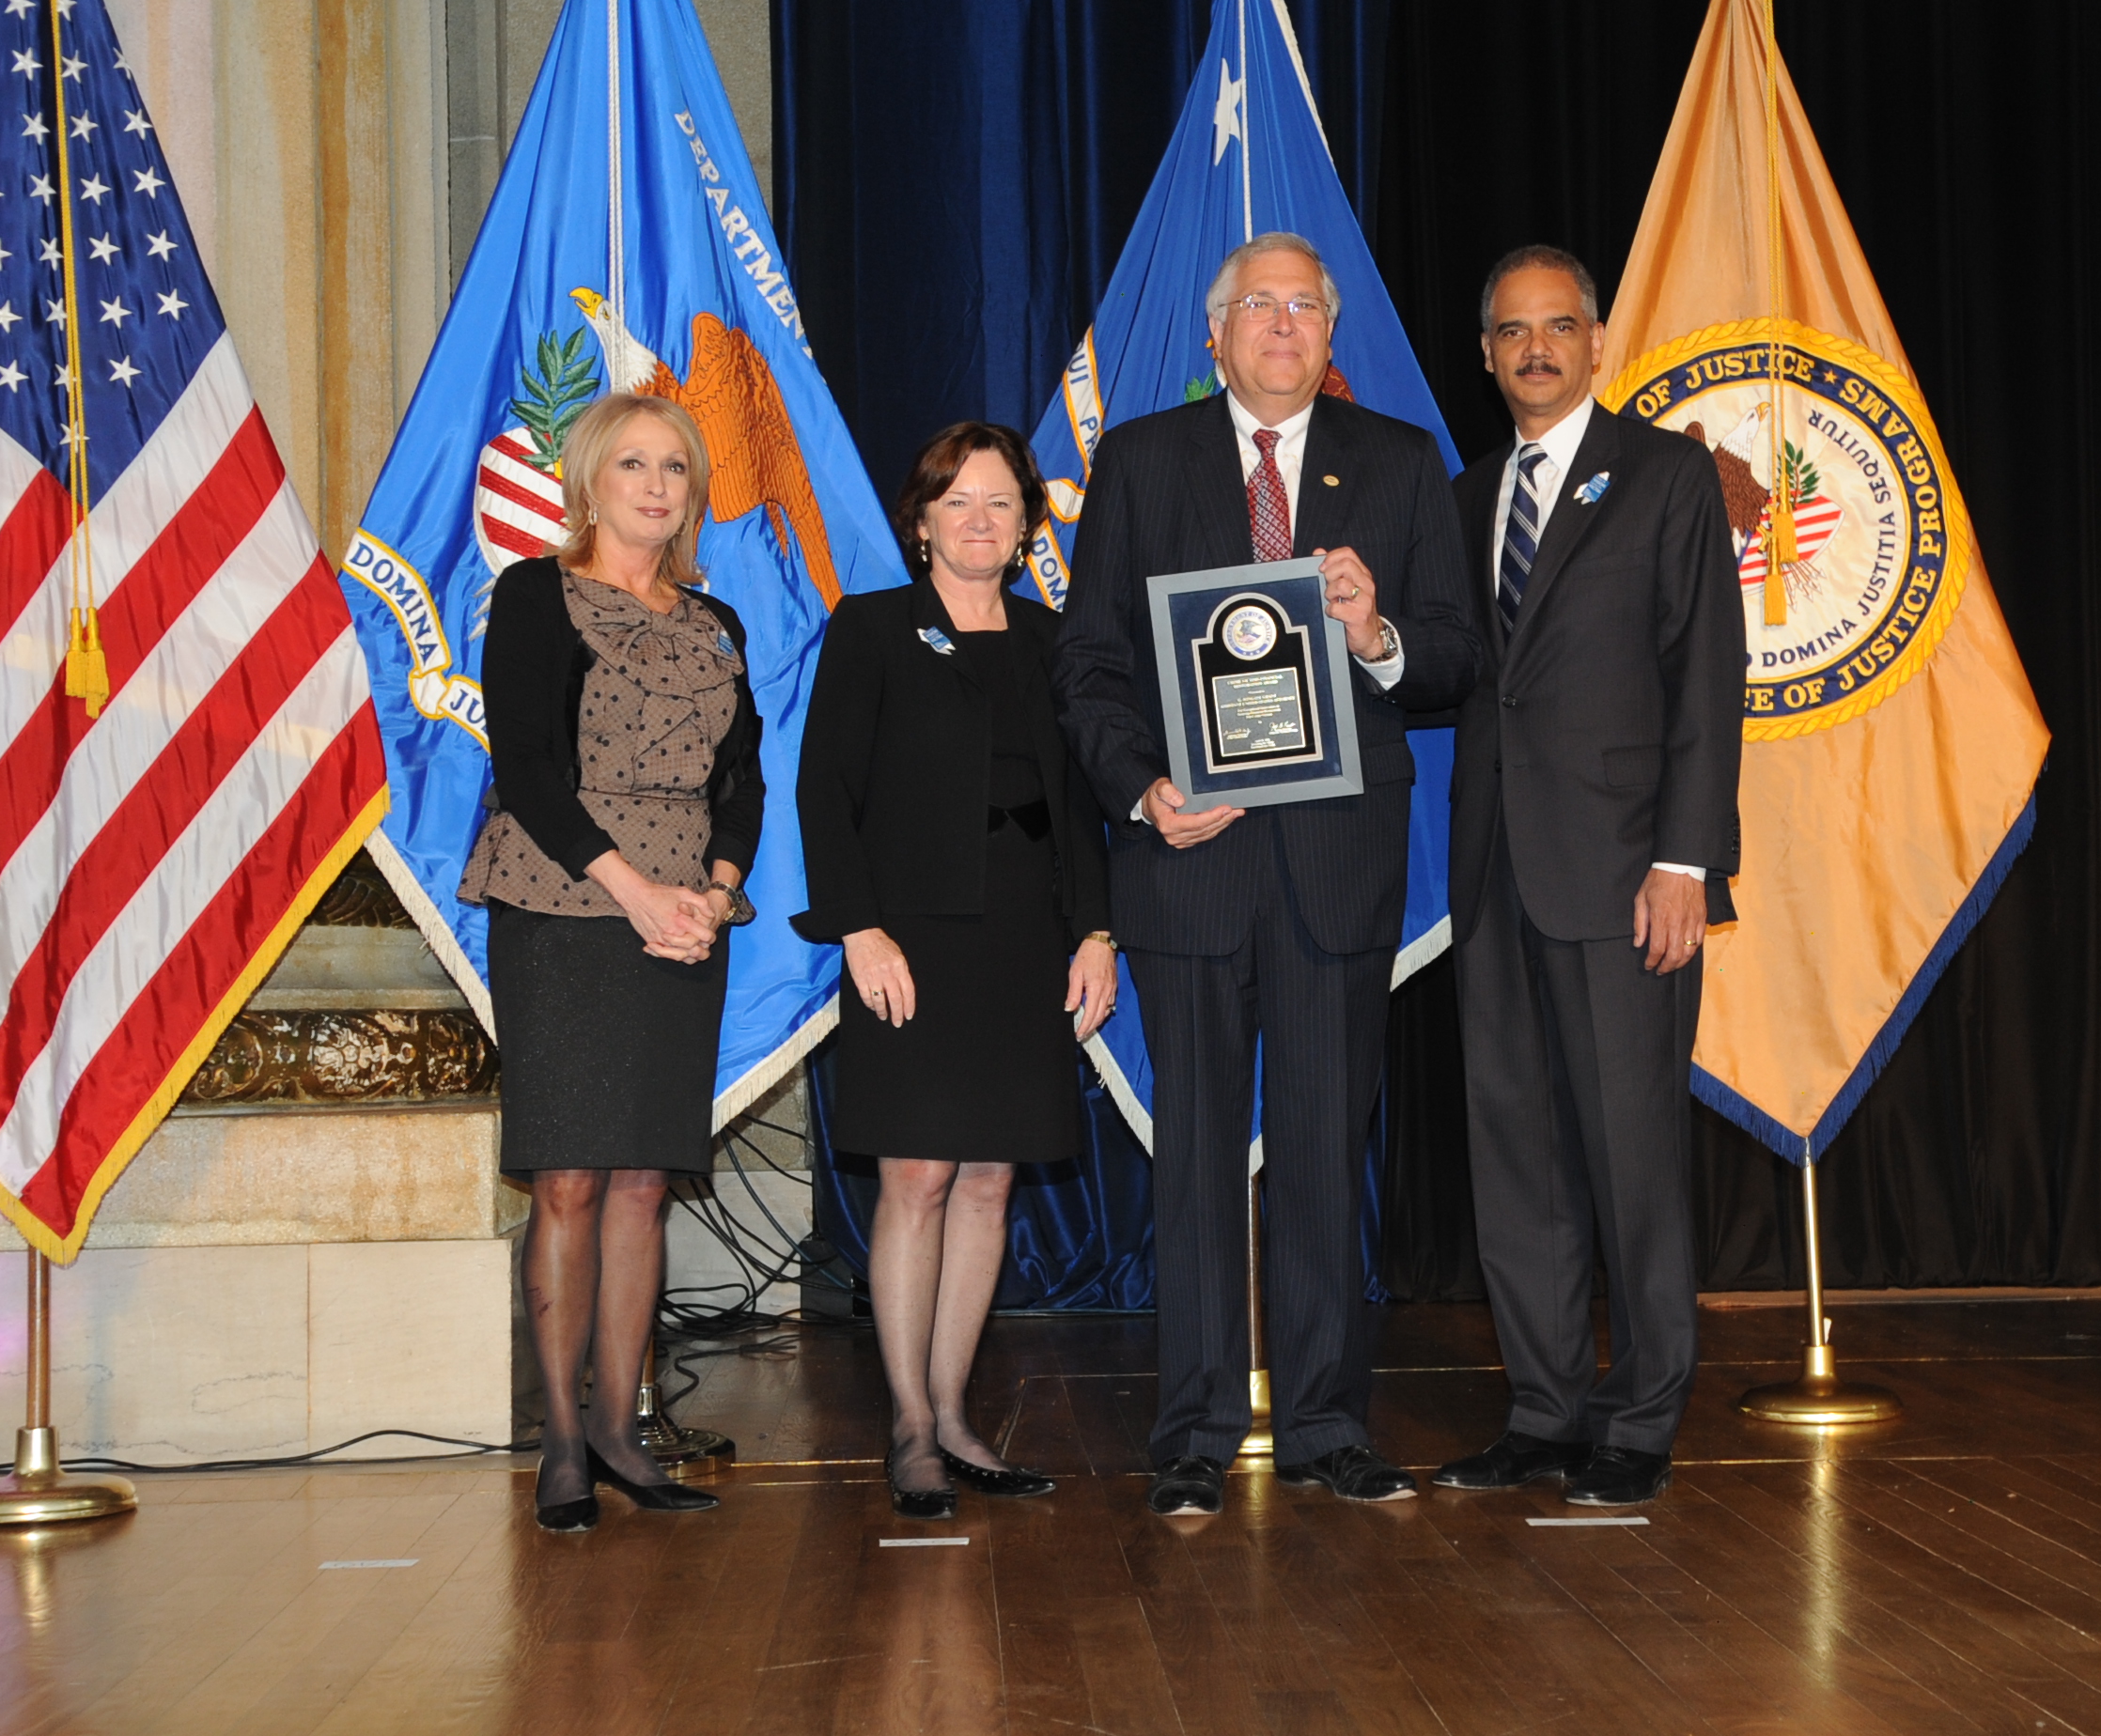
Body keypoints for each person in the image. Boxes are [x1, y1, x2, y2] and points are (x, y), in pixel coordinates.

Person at [1051, 233, 1480, 1516]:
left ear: (1326, 333)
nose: (1282, 324)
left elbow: (1457, 661)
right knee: (1188, 1161)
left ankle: (1324, 1426)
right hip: (1187, 869)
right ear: (1215, 336)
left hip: (1336, 875)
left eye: (1304, 305)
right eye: (1258, 306)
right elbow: (1089, 664)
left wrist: (1376, 631)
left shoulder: (1400, 463)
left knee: (1318, 1154)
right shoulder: (1138, 462)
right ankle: (1190, 1431)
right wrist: (1141, 788)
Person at [1435, 247, 1744, 1508]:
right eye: (1513, 332)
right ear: (1490, 352)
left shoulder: (1668, 475)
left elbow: (1705, 677)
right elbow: (1453, 671)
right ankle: (1546, 1409)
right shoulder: (1466, 499)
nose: (1537, 349)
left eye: (1559, 327)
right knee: (1517, 1157)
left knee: (1629, 1159)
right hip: (1497, 874)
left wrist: (1685, 860)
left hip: (1626, 876)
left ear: (1598, 340)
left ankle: (1643, 1412)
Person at [795, 423, 1117, 1520]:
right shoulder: (874, 629)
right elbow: (824, 793)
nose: (982, 521)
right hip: (912, 943)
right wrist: (859, 930)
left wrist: (1098, 933)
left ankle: (956, 1411)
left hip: (1026, 938)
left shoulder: (1049, 639)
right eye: (959, 502)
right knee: (919, 1176)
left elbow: (1077, 803)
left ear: (1029, 524)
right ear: (921, 521)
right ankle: (907, 1422)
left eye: (1001, 503)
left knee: (989, 1179)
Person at [459, 393, 761, 1532]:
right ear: (589, 481)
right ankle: (562, 1442)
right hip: (563, 904)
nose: (654, 484)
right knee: (571, 1179)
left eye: (675, 467)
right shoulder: (533, 595)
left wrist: (716, 894)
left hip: (685, 916)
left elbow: (744, 781)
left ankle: (627, 1434)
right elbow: (527, 767)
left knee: (645, 1181)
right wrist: (633, 891)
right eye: (632, 463)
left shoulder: (714, 619)